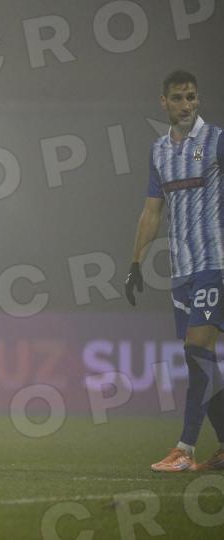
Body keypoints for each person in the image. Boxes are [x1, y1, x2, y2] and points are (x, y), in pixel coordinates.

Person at [125, 70, 224, 472]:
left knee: (198, 350)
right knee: (201, 361)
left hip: (214, 264)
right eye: (179, 98)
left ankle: (185, 448)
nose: (187, 105)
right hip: (181, 271)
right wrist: (135, 261)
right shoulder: (159, 150)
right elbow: (152, 211)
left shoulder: (216, 140)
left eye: (192, 97)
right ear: (164, 102)